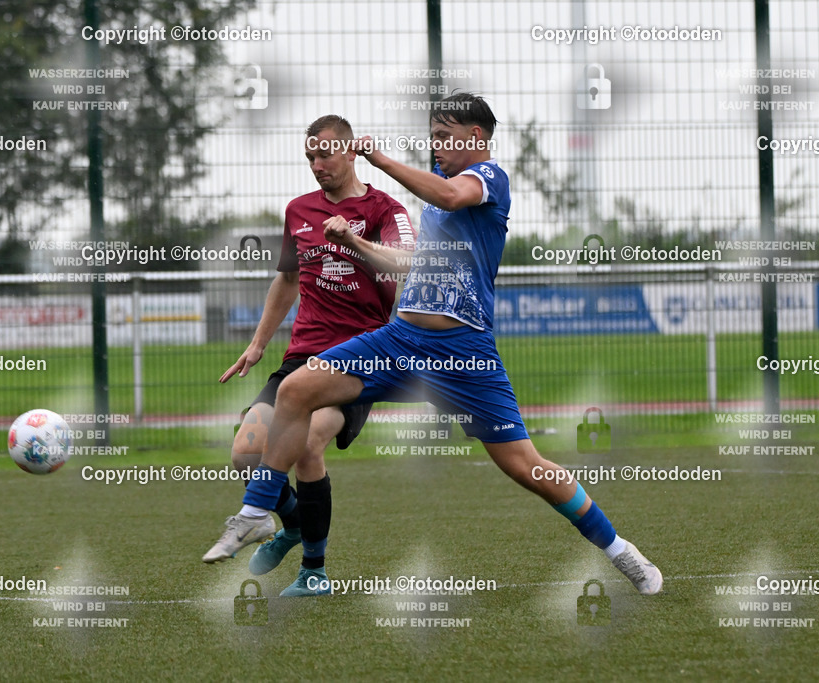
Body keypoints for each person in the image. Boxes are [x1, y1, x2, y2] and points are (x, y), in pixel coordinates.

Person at [203, 93, 663, 596]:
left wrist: (379, 159)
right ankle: (255, 512)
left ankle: (620, 550)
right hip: (399, 340)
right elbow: (407, 261)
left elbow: (449, 196)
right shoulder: (429, 205)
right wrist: (356, 245)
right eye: (433, 135)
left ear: (478, 138)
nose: (435, 145)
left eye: (444, 136)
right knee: (294, 390)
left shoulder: (489, 180)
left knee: (526, 467)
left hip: (464, 354)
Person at [204, 115, 416, 597]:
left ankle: (313, 572)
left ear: (349, 151)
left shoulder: (384, 208)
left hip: (360, 358)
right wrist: (258, 344)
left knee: (306, 445)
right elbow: (287, 279)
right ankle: (294, 526)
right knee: (244, 454)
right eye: (309, 158)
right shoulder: (299, 210)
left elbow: (405, 261)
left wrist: (351, 241)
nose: (317, 165)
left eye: (324, 155)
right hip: (302, 356)